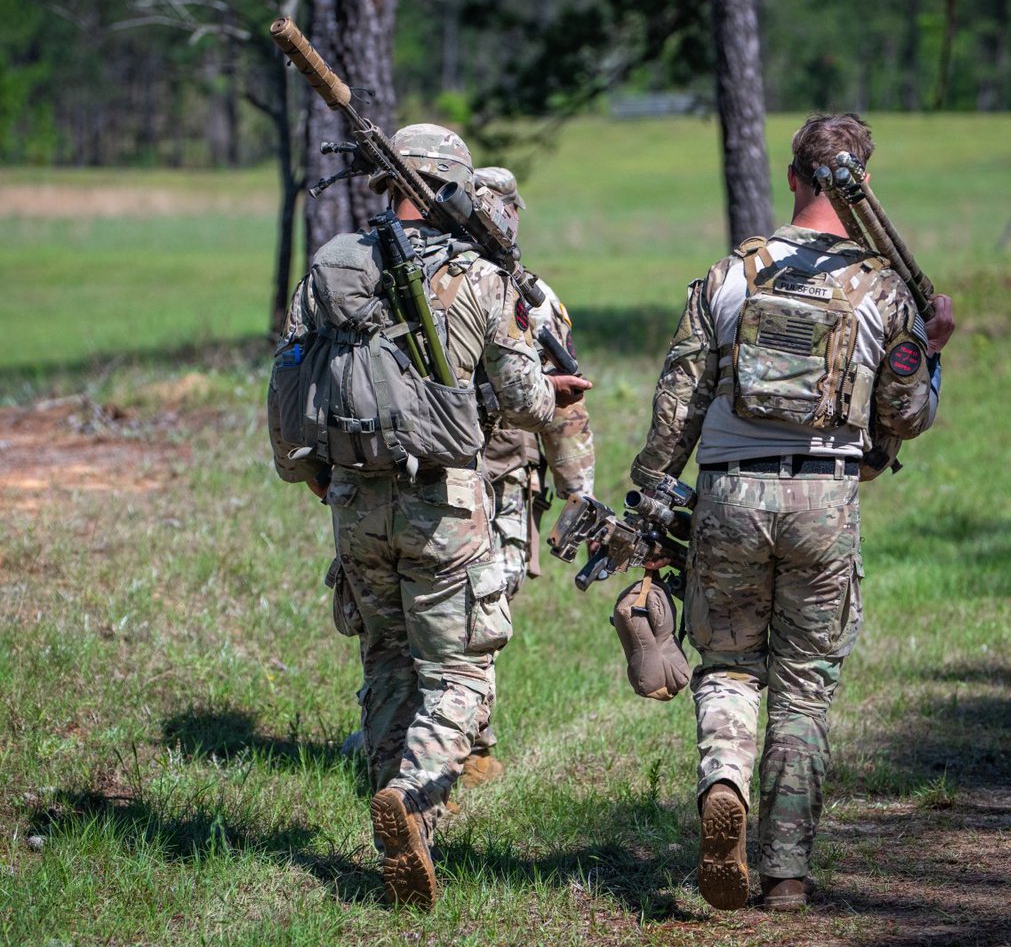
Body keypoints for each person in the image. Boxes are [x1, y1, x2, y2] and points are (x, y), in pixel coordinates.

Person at [629, 113, 955, 912]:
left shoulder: (729, 276)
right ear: (863, 183)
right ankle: (785, 875)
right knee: (804, 684)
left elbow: (678, 401)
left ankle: (723, 784)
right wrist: (933, 343)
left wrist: (647, 501)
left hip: (731, 495)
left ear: (792, 178)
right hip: (825, 498)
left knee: (731, 665)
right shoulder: (884, 287)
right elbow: (904, 416)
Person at [267, 123, 590, 909]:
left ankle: (399, 835)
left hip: (351, 498)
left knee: (386, 662)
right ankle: (412, 800)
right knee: (461, 670)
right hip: (443, 502)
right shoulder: (478, 276)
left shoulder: (334, 266)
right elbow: (520, 397)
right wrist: (561, 397)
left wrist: (316, 478)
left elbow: (289, 376)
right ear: (449, 188)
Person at [462, 166, 596, 785]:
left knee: (463, 607)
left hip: (498, 475)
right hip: (493, 476)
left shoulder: (525, 299)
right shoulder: (512, 295)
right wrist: (579, 491)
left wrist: (578, 494)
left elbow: (562, 400)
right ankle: (468, 745)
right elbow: (564, 407)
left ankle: (460, 739)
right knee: (476, 611)